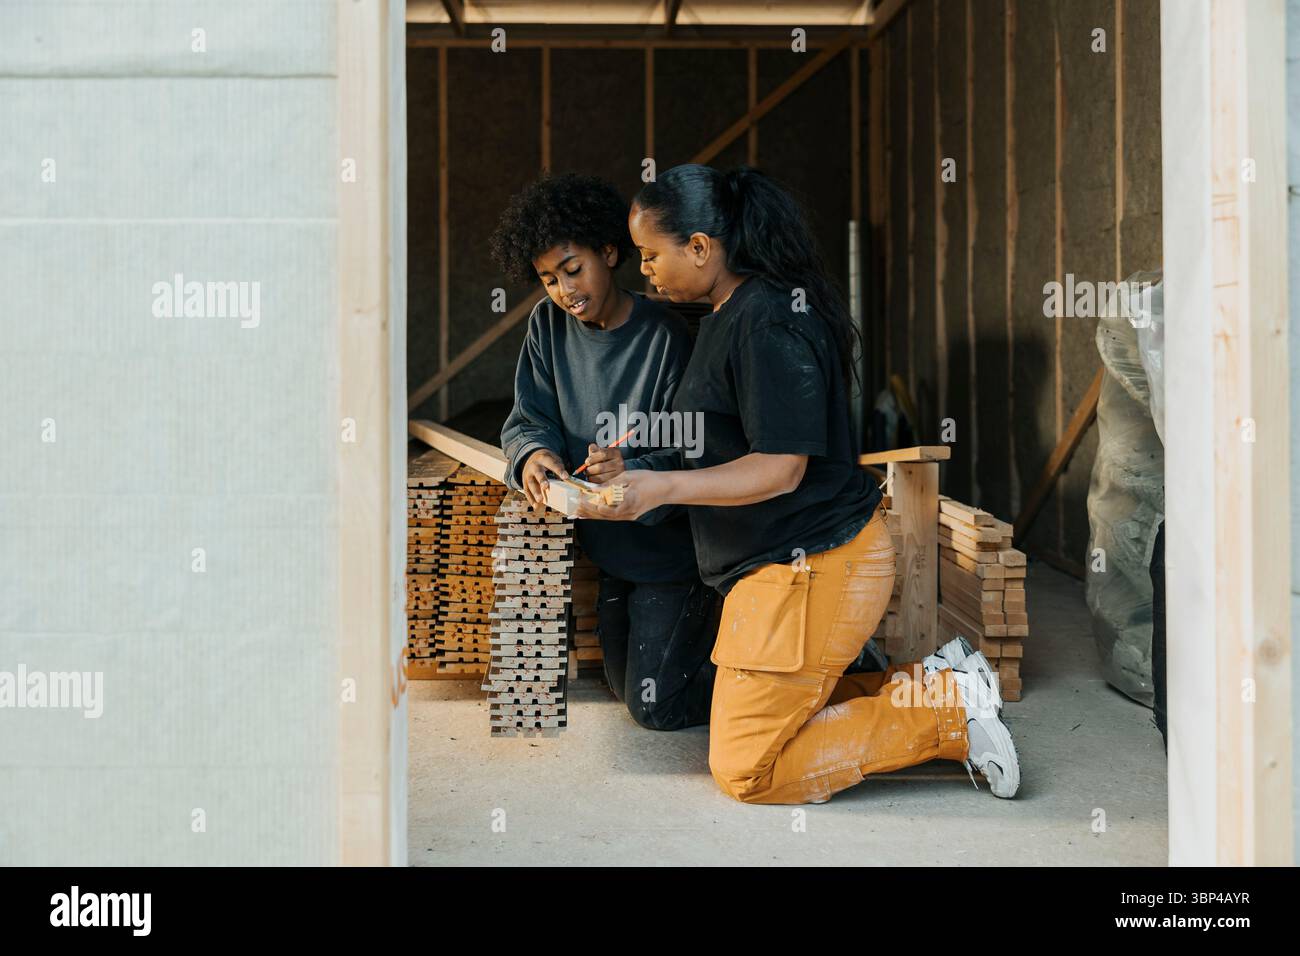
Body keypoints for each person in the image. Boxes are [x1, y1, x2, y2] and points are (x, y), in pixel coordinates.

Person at [578, 164, 1021, 802]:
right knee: (762, 720)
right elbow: (728, 439)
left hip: (812, 566)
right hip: (780, 570)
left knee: (748, 771)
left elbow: (781, 466)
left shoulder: (767, 320)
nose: (643, 270)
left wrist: (660, 491)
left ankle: (945, 713)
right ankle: (936, 683)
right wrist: (638, 468)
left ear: (700, 247)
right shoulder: (730, 313)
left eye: (650, 255)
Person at [492, 172, 717, 731]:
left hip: (669, 556)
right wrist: (534, 456)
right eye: (548, 279)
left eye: (572, 269)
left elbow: (694, 447)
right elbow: (528, 418)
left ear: (610, 252)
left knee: (654, 708)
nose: (564, 290)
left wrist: (632, 467)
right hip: (611, 553)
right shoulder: (546, 328)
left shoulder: (666, 335)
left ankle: (783, 682)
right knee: (622, 686)